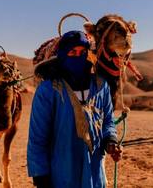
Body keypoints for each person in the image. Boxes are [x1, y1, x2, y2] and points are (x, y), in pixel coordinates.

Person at [27, 31, 122, 188]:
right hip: (61, 175)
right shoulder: (48, 90)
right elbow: (38, 139)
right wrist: (40, 176)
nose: (78, 57)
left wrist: (110, 141)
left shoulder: (101, 86)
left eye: (82, 52)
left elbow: (108, 121)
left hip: (94, 173)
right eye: (72, 52)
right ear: (63, 55)